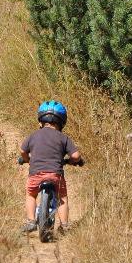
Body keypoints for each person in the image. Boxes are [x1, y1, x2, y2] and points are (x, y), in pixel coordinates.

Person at [19, 100, 82, 234]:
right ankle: (64, 225)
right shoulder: (63, 138)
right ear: (61, 122)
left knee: (31, 194)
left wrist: (27, 160)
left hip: (36, 174)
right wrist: (71, 161)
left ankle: (31, 221)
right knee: (62, 197)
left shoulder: (34, 135)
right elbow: (76, 155)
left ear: (41, 121)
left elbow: (22, 151)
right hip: (55, 175)